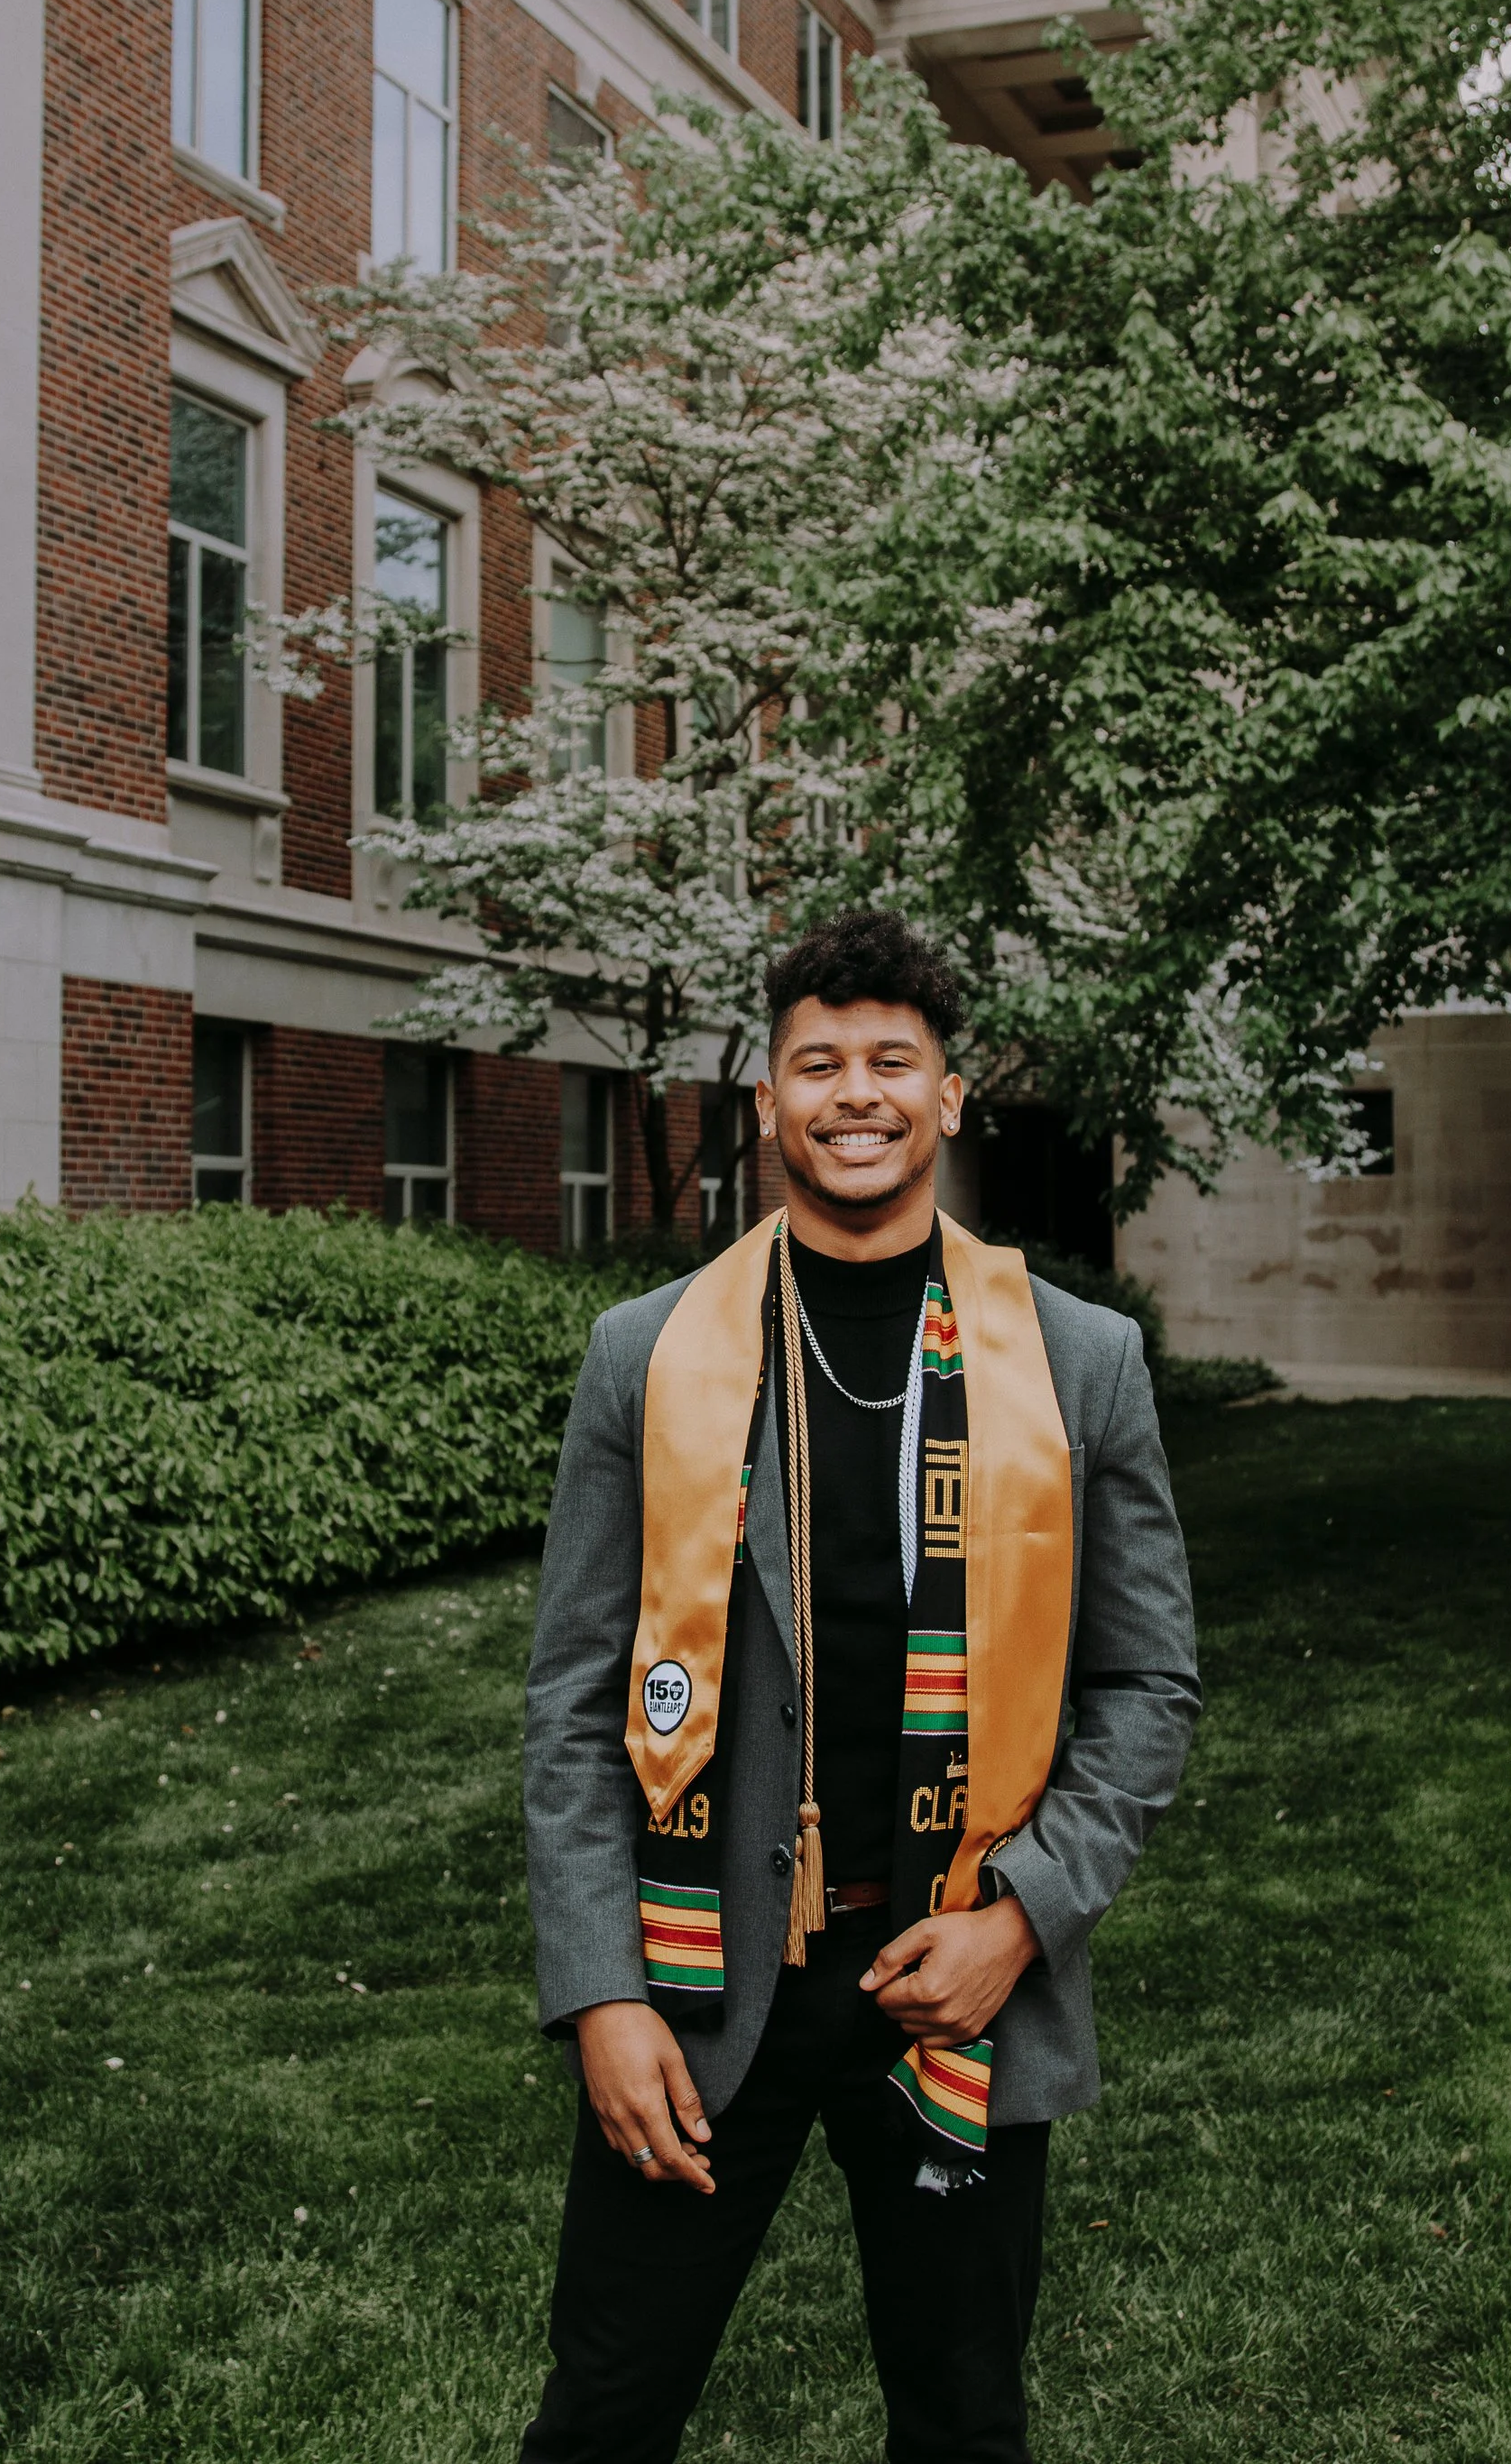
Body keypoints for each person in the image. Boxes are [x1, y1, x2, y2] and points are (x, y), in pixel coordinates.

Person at [520, 909, 1199, 2464]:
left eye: (895, 1061)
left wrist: (1019, 1918)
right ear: (768, 1100)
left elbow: (1149, 1684)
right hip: (699, 1982)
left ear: (952, 1096)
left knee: (963, 2421)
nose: (856, 1093)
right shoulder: (649, 1353)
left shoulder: (1079, 1360)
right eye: (816, 1063)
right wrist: (598, 1988)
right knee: (606, 2411)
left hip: (953, 1974)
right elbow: (573, 1701)